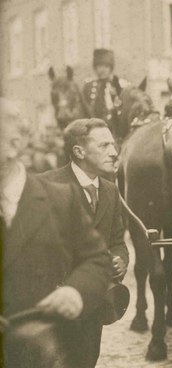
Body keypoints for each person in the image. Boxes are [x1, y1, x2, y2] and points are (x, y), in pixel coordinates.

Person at [1, 98, 112, 368]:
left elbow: (97, 261)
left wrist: (76, 292)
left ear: (17, 142)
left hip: (50, 365)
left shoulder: (58, 200)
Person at [39, 118, 129, 352]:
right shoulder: (46, 186)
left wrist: (121, 260)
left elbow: (118, 241)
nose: (114, 152)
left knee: (86, 364)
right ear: (79, 151)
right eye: (104, 146)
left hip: (94, 306)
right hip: (55, 308)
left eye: (113, 144)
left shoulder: (110, 191)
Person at [80, 49, 130, 135]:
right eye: (99, 66)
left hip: (115, 130)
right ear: (95, 68)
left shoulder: (121, 85)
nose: (102, 70)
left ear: (111, 68)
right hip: (93, 129)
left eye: (106, 67)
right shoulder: (88, 86)